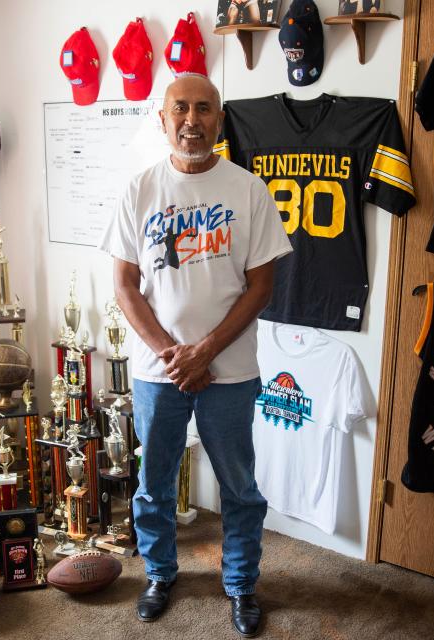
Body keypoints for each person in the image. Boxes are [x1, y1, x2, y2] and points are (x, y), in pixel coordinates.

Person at [99, 73, 291, 638]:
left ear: (219, 119)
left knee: (238, 486)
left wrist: (205, 351)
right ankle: (160, 574)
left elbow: (261, 286)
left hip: (230, 371)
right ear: (162, 120)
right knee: (153, 481)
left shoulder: (248, 191)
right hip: (158, 374)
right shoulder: (139, 191)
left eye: (204, 108)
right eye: (180, 108)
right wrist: (173, 355)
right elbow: (125, 287)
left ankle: (240, 584)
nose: (192, 119)